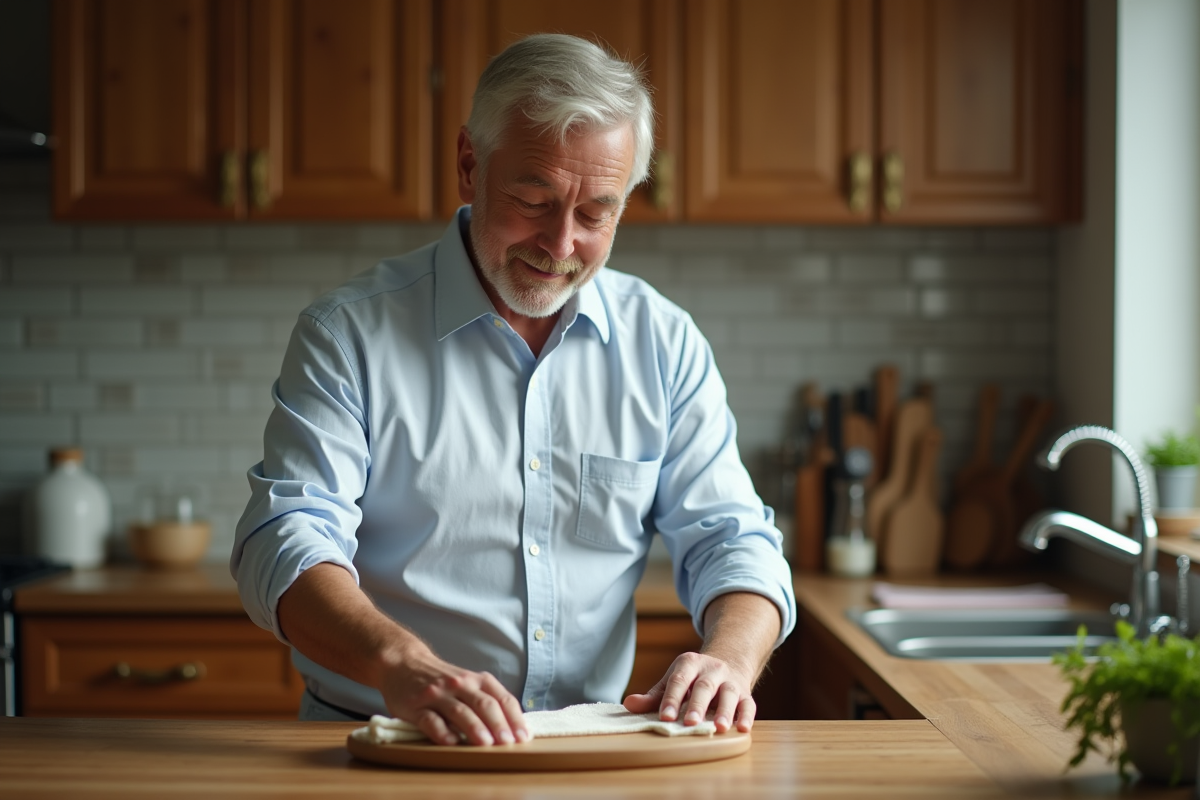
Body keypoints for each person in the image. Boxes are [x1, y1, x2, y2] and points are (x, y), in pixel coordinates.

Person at [231, 33, 795, 747]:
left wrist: (729, 662)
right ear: (470, 165)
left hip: (592, 749)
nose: (560, 245)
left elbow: (732, 538)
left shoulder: (663, 342)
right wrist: (403, 663)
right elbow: (284, 538)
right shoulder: (348, 335)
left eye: (597, 214)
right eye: (533, 200)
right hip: (388, 742)